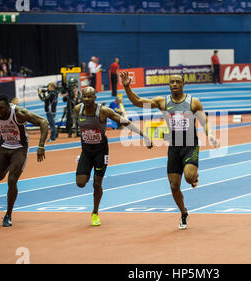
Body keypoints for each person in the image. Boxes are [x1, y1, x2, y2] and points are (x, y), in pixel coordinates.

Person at [120, 71, 218, 230]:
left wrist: (211, 135)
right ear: (169, 84)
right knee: (174, 186)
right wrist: (127, 87)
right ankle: (184, 213)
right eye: (171, 82)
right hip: (174, 147)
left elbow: (204, 121)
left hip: (190, 145)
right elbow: (138, 101)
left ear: (183, 84)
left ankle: (194, 176)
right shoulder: (163, 102)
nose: (174, 84)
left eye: (178, 82)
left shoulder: (193, 102)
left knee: (189, 177)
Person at [74, 86, 152, 226]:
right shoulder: (77, 109)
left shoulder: (103, 111)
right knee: (80, 183)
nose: (86, 99)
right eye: (84, 97)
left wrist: (144, 135)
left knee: (97, 183)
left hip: (101, 151)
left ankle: (95, 213)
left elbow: (125, 122)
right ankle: (84, 165)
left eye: (90, 97)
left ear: (95, 98)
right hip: (86, 150)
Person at [0, 94, 49, 227]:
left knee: (12, 180)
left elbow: (43, 122)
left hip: (19, 149)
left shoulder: (19, 113)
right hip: (3, 148)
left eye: (1, 108)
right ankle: (9, 166)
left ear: (8, 106)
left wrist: (41, 146)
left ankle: (8, 215)